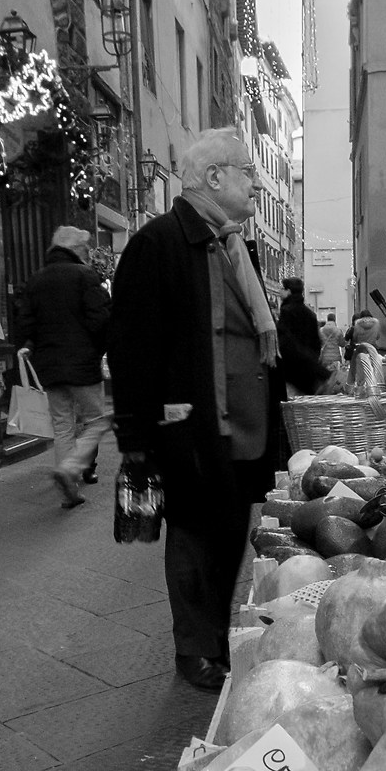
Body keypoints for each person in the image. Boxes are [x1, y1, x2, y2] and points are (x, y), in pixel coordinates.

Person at [109, 128, 285, 692]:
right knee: (192, 533)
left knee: (231, 529)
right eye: (245, 170)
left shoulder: (232, 244)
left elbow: (256, 334)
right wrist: (135, 435)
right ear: (213, 178)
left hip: (242, 426)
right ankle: (195, 649)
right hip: (188, 424)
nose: (255, 182)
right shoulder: (158, 243)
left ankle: (213, 636)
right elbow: (131, 347)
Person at [8, 223, 113, 507]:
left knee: (63, 426)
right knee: (98, 421)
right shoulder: (85, 277)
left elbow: (25, 323)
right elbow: (101, 319)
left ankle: (70, 488)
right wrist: (98, 348)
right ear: (76, 249)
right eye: (86, 248)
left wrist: (32, 346)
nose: (89, 253)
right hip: (82, 366)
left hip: (50, 368)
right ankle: (70, 469)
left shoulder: (36, 280)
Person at [275, 277, 330, 399]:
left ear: (288, 291)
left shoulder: (286, 311)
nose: (279, 291)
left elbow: (284, 341)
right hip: (308, 365)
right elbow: (316, 342)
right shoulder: (310, 314)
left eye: (282, 288)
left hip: (292, 367)